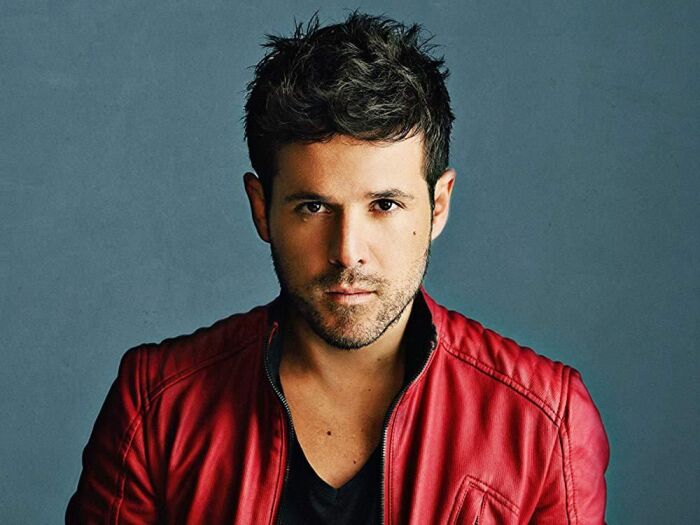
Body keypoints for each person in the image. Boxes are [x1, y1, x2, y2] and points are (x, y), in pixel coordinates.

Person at [66, 12, 609, 524]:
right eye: (313, 207)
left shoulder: (545, 423)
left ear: (438, 205)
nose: (348, 252)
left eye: (384, 205)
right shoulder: (158, 406)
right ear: (262, 209)